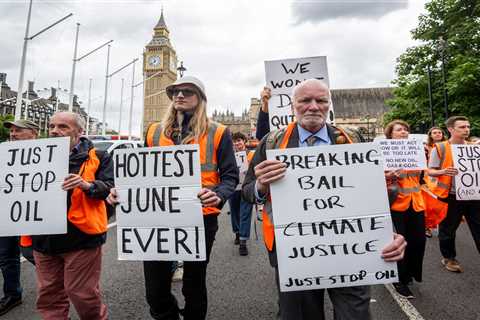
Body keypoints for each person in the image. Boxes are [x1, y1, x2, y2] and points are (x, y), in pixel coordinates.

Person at [243, 79, 406, 320]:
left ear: (329, 105)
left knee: (356, 315)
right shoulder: (271, 142)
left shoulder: (354, 138)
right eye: (305, 101)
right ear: (292, 106)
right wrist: (261, 184)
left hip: (352, 249)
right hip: (294, 252)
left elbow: (372, 195)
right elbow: (247, 191)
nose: (313, 107)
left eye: (320, 101)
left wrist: (384, 233)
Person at [108, 76, 238, 320]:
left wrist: (218, 194)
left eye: (187, 91)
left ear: (200, 98)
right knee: (155, 290)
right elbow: (141, 172)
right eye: (175, 92)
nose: (179, 95)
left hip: (200, 217)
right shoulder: (153, 131)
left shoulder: (219, 132)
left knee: (193, 284)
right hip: (156, 216)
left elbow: (231, 177)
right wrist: (121, 189)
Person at [33, 111, 113, 319]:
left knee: (83, 295)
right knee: (49, 297)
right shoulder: (34, 156)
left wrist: (86, 185)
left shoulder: (99, 156)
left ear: (80, 131)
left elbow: (110, 189)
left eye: (62, 127)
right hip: (44, 240)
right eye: (51, 126)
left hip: (81, 239)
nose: (54, 131)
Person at [426, 116, 480, 273]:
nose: (467, 130)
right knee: (448, 229)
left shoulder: (474, 147)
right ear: (450, 129)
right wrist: (443, 171)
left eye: (468, 126)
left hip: (474, 195)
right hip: (451, 196)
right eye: (462, 127)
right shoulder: (440, 148)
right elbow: (430, 171)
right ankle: (449, 258)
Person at [0, 119, 39, 315]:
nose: (13, 134)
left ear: (33, 133)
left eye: (18, 130)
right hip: (7, 211)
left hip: (34, 213)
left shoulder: (47, 153)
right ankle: (12, 294)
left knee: (34, 254)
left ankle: (60, 286)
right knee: (6, 256)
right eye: (12, 131)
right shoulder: (3, 152)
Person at [384, 120, 426, 299]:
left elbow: (422, 176)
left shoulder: (416, 150)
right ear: (390, 134)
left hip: (416, 202)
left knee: (418, 240)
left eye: (406, 129)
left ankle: (409, 274)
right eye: (399, 130)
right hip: (396, 204)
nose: (403, 132)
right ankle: (399, 280)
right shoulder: (383, 152)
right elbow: (373, 176)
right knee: (399, 242)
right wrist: (388, 175)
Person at [229, 132, 254, 256]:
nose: (236, 143)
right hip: (233, 188)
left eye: (239, 140)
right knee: (234, 212)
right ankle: (237, 233)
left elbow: (256, 169)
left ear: (244, 141)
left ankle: (243, 242)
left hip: (247, 187)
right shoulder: (229, 156)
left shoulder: (251, 154)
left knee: (245, 213)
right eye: (234, 141)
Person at [424, 127, 447, 237]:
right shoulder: (424, 147)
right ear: (430, 135)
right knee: (429, 205)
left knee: (440, 205)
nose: (438, 134)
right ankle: (427, 227)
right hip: (427, 179)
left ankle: (442, 226)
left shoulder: (448, 146)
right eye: (435, 133)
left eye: (440, 132)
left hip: (443, 178)